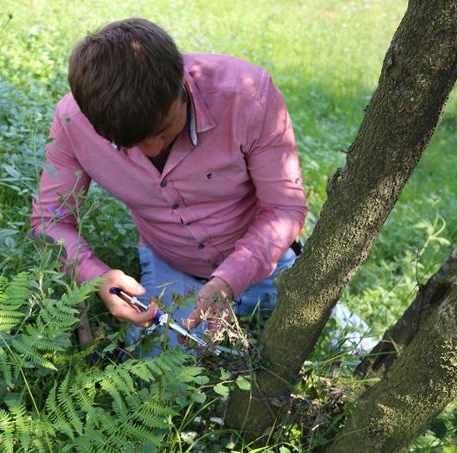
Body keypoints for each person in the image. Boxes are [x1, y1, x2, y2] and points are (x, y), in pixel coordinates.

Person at [30, 18, 307, 356]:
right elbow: (49, 221)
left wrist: (230, 279)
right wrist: (97, 277)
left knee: (316, 337)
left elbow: (284, 208)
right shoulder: (74, 121)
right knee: (159, 371)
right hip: (171, 267)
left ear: (182, 86)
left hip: (265, 262)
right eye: (128, 144)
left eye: (163, 129)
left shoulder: (248, 96)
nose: (153, 149)